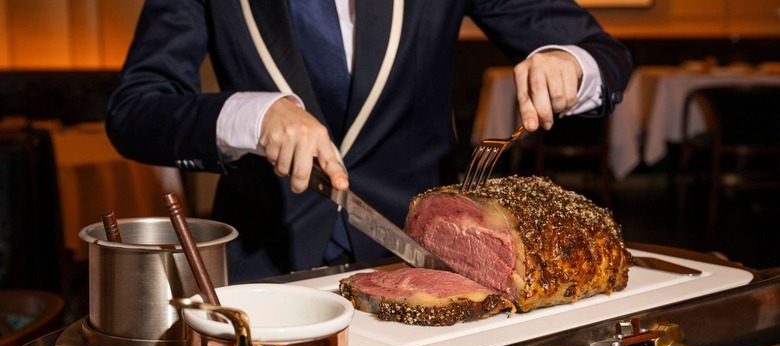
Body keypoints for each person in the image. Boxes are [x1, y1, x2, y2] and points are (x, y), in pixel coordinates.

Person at [106, 0, 633, 282]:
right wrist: (253, 113)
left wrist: (571, 65)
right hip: (263, 273)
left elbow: (600, 52)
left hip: (425, 266)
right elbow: (134, 110)